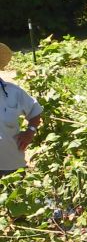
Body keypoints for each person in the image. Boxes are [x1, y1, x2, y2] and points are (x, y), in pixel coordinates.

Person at [0, 42, 42, 178]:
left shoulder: (13, 92)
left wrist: (31, 131)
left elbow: (35, 110)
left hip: (12, 166)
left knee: (16, 198)